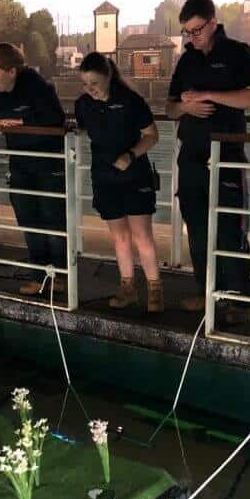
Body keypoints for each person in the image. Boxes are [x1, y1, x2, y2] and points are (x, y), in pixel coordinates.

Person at [166, 0, 250, 324]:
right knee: (196, 227)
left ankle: (239, 300)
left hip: (227, 155)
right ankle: (206, 291)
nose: (192, 37)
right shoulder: (186, 61)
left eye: (196, 30)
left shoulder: (238, 53)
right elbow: (170, 107)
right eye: (186, 32)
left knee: (230, 229)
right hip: (191, 155)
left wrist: (209, 96)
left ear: (213, 22)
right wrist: (186, 108)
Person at [0, 43, 68, 295]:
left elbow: (54, 117)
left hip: (48, 163)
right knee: (28, 219)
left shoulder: (36, 86)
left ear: (12, 71)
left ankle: (59, 277)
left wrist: (21, 122)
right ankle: (39, 276)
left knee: (52, 220)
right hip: (20, 163)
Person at [75, 53, 163, 312]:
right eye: (85, 84)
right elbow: (81, 127)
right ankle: (128, 288)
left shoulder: (131, 100)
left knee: (142, 235)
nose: (89, 89)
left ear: (108, 76)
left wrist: (131, 154)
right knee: (120, 238)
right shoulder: (83, 104)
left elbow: (152, 135)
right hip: (104, 177)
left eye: (94, 83)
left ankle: (155, 289)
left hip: (135, 175)